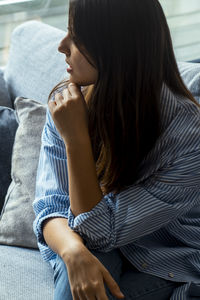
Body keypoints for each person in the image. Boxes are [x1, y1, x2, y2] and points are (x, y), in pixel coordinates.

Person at [32, 0, 200, 299]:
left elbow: (98, 230)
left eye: (77, 36)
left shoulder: (187, 133)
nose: (62, 45)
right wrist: (72, 252)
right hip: (87, 240)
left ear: (116, 47)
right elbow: (52, 204)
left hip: (163, 261)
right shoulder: (67, 102)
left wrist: (77, 141)